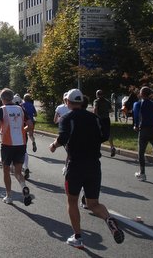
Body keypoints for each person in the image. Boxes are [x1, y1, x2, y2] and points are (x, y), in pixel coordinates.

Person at [49, 88, 124, 248]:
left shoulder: (67, 118)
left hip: (75, 165)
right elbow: (104, 135)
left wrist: (53, 145)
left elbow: (62, 138)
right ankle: (109, 219)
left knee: (72, 201)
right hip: (94, 165)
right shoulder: (94, 118)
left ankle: (78, 237)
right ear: (82, 102)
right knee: (93, 203)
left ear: (67, 102)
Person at [0, 88, 33, 206]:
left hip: (7, 144)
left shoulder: (2, 110)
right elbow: (30, 125)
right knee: (18, 171)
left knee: (6, 170)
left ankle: (9, 195)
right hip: (21, 143)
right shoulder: (21, 109)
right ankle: (24, 187)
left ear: (2, 99)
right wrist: (22, 130)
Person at [132, 86, 153, 186]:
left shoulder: (138, 104)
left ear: (141, 93)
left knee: (141, 152)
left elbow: (136, 115)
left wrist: (135, 125)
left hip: (144, 130)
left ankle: (142, 173)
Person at [93, 90, 116, 157]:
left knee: (98, 134)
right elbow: (111, 110)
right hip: (106, 119)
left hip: (100, 119)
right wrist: (105, 110)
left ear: (97, 95)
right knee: (108, 133)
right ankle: (112, 147)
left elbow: (95, 109)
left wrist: (95, 117)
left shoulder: (96, 101)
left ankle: (98, 150)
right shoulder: (107, 101)